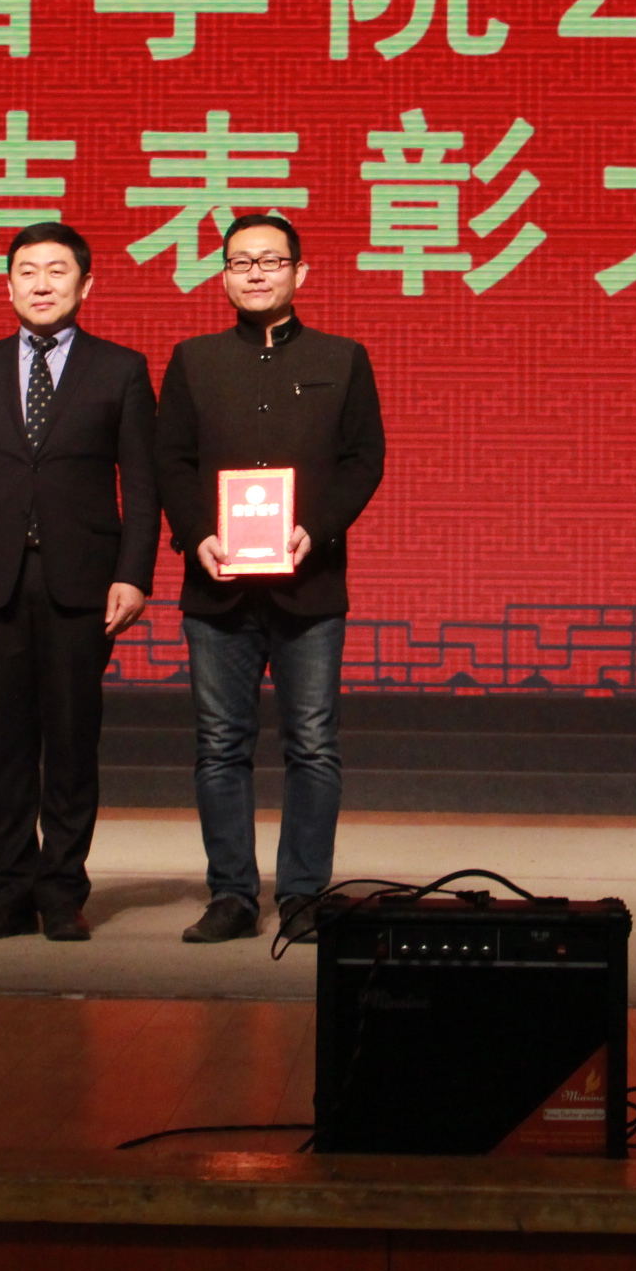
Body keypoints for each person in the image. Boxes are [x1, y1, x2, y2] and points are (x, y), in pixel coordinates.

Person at [0, 221, 158, 942]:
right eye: (27, 271)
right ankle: (9, 888)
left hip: (82, 582)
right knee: (7, 743)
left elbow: (142, 485)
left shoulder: (120, 369)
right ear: (8, 286)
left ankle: (61, 890)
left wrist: (133, 575)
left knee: (73, 739)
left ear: (86, 285)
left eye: (58, 271)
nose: (42, 284)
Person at [155, 213, 386, 944]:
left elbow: (364, 460)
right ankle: (231, 896)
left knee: (312, 745)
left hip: (309, 587)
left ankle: (304, 895)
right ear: (223, 275)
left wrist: (316, 528)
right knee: (220, 744)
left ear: (299, 273)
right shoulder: (193, 360)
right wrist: (196, 534)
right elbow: (171, 461)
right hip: (216, 586)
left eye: (271, 261)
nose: (255, 273)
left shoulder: (342, 358)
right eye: (241, 262)